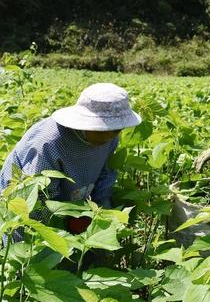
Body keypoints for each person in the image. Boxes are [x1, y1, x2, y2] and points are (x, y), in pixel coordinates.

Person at [0, 83, 141, 232]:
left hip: (74, 204)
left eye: (116, 130)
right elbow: (38, 199)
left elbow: (105, 175)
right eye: (101, 130)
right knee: (28, 241)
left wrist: (104, 211)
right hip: (29, 211)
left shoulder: (111, 137)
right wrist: (62, 227)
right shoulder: (49, 142)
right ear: (85, 122)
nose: (108, 136)